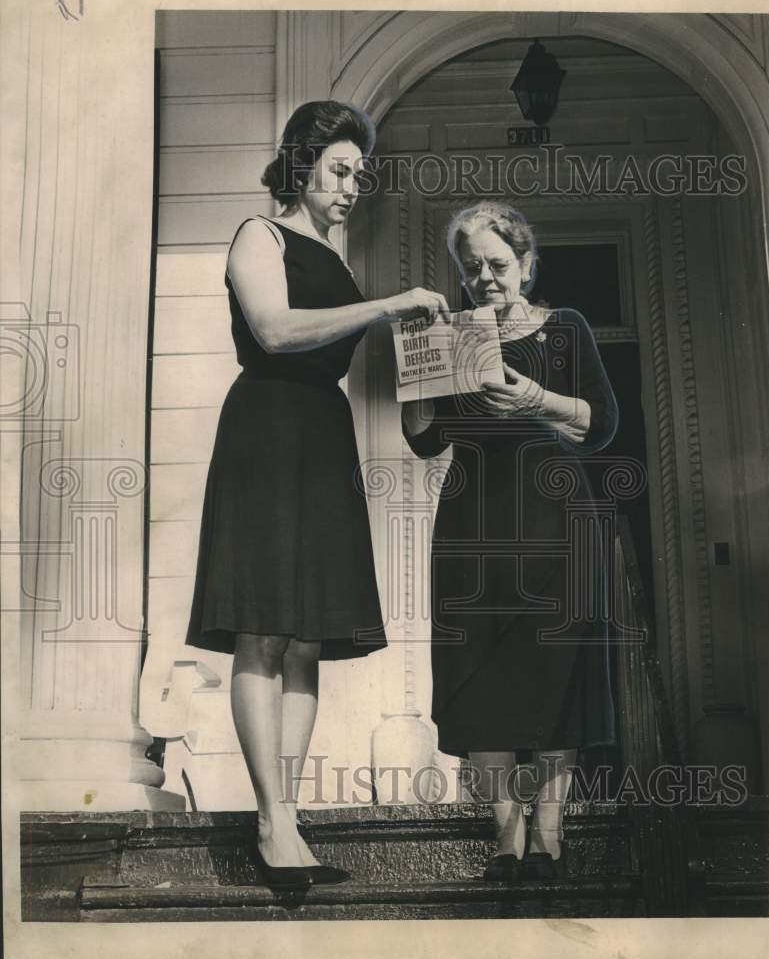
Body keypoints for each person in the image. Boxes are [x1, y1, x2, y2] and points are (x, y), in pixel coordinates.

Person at [185, 101, 449, 888]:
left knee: (306, 640)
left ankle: (289, 819)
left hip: (322, 435)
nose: (351, 187)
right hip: (266, 430)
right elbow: (274, 330)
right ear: (302, 166)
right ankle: (270, 821)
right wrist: (388, 304)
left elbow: (351, 339)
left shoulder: (333, 253)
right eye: (340, 170)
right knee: (262, 630)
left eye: (359, 176)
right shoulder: (257, 235)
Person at [402, 201, 619, 882]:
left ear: (526, 263)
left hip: (557, 520)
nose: (486, 278)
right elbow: (423, 439)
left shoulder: (566, 330)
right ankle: (507, 835)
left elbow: (602, 425)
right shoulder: (458, 335)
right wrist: (417, 363)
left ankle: (550, 834)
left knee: (557, 672)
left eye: (499, 264)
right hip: (473, 524)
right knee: (482, 676)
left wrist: (532, 398)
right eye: (473, 269)